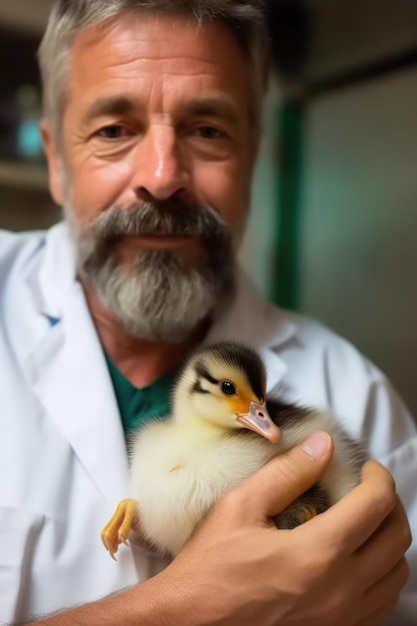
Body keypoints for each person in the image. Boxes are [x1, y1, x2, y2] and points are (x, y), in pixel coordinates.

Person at [0, 0, 415, 624]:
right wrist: (185, 609)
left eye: (208, 130)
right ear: (56, 159)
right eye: (114, 129)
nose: (163, 178)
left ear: (252, 154)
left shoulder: (356, 396)